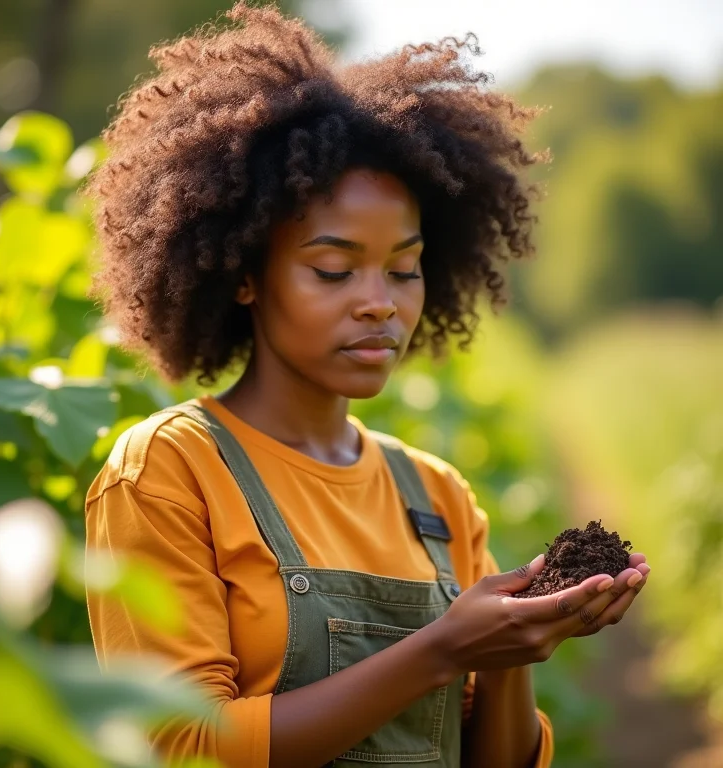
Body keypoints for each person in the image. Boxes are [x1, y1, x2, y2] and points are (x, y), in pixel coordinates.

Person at [83, 3, 651, 767]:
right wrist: (442, 649)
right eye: (333, 268)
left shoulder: (438, 496)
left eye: (404, 268)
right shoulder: (168, 471)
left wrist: (512, 650)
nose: (380, 301)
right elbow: (182, 748)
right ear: (246, 275)